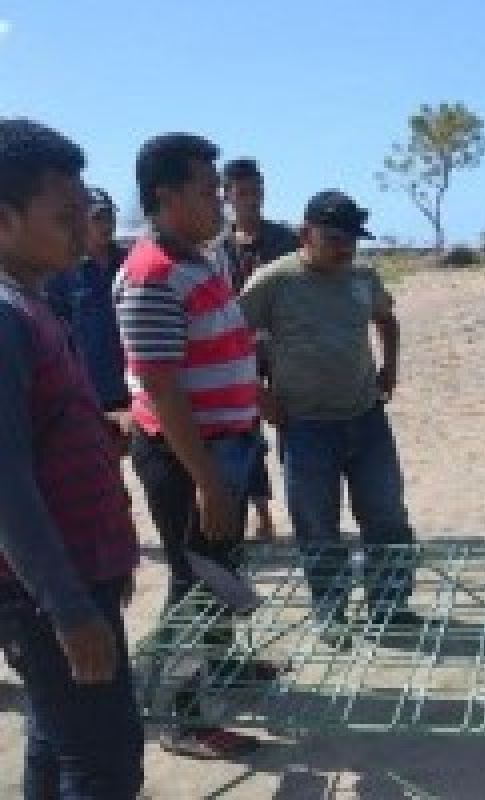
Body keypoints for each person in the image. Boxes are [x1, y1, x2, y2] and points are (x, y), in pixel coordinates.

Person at [0, 118, 142, 798]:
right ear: (4, 220)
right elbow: (5, 484)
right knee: (105, 765)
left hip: (76, 574)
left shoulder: (33, 302)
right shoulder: (3, 318)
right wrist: (67, 605)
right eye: (65, 216)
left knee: (59, 745)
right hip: (45, 592)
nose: (84, 227)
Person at [114, 132, 268, 758]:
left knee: (221, 572)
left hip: (224, 447)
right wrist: (205, 480)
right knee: (192, 583)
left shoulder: (199, 260)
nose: (221, 204)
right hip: (186, 457)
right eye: (208, 192)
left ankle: (224, 670)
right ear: (165, 196)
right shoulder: (150, 274)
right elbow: (161, 387)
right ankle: (184, 719)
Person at [239, 190, 417, 628]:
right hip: (305, 425)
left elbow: (387, 320)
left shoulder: (362, 276)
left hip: (366, 417)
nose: (345, 248)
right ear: (305, 234)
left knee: (386, 517)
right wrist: (258, 396)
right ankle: (331, 614)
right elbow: (227, 340)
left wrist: (390, 367)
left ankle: (390, 606)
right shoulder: (273, 281)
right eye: (334, 238)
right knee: (318, 528)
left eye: (352, 240)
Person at [216, 157, 299, 541]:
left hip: (283, 350)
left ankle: (301, 505)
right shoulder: (219, 249)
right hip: (237, 353)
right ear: (228, 195)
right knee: (244, 433)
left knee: (290, 426)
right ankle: (262, 512)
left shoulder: (285, 241)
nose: (251, 199)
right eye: (243, 192)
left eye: (256, 190)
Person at [44, 187, 133, 447]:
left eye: (109, 217)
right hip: (95, 389)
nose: (107, 225)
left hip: (137, 383)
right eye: (98, 218)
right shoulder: (64, 271)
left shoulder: (130, 263)